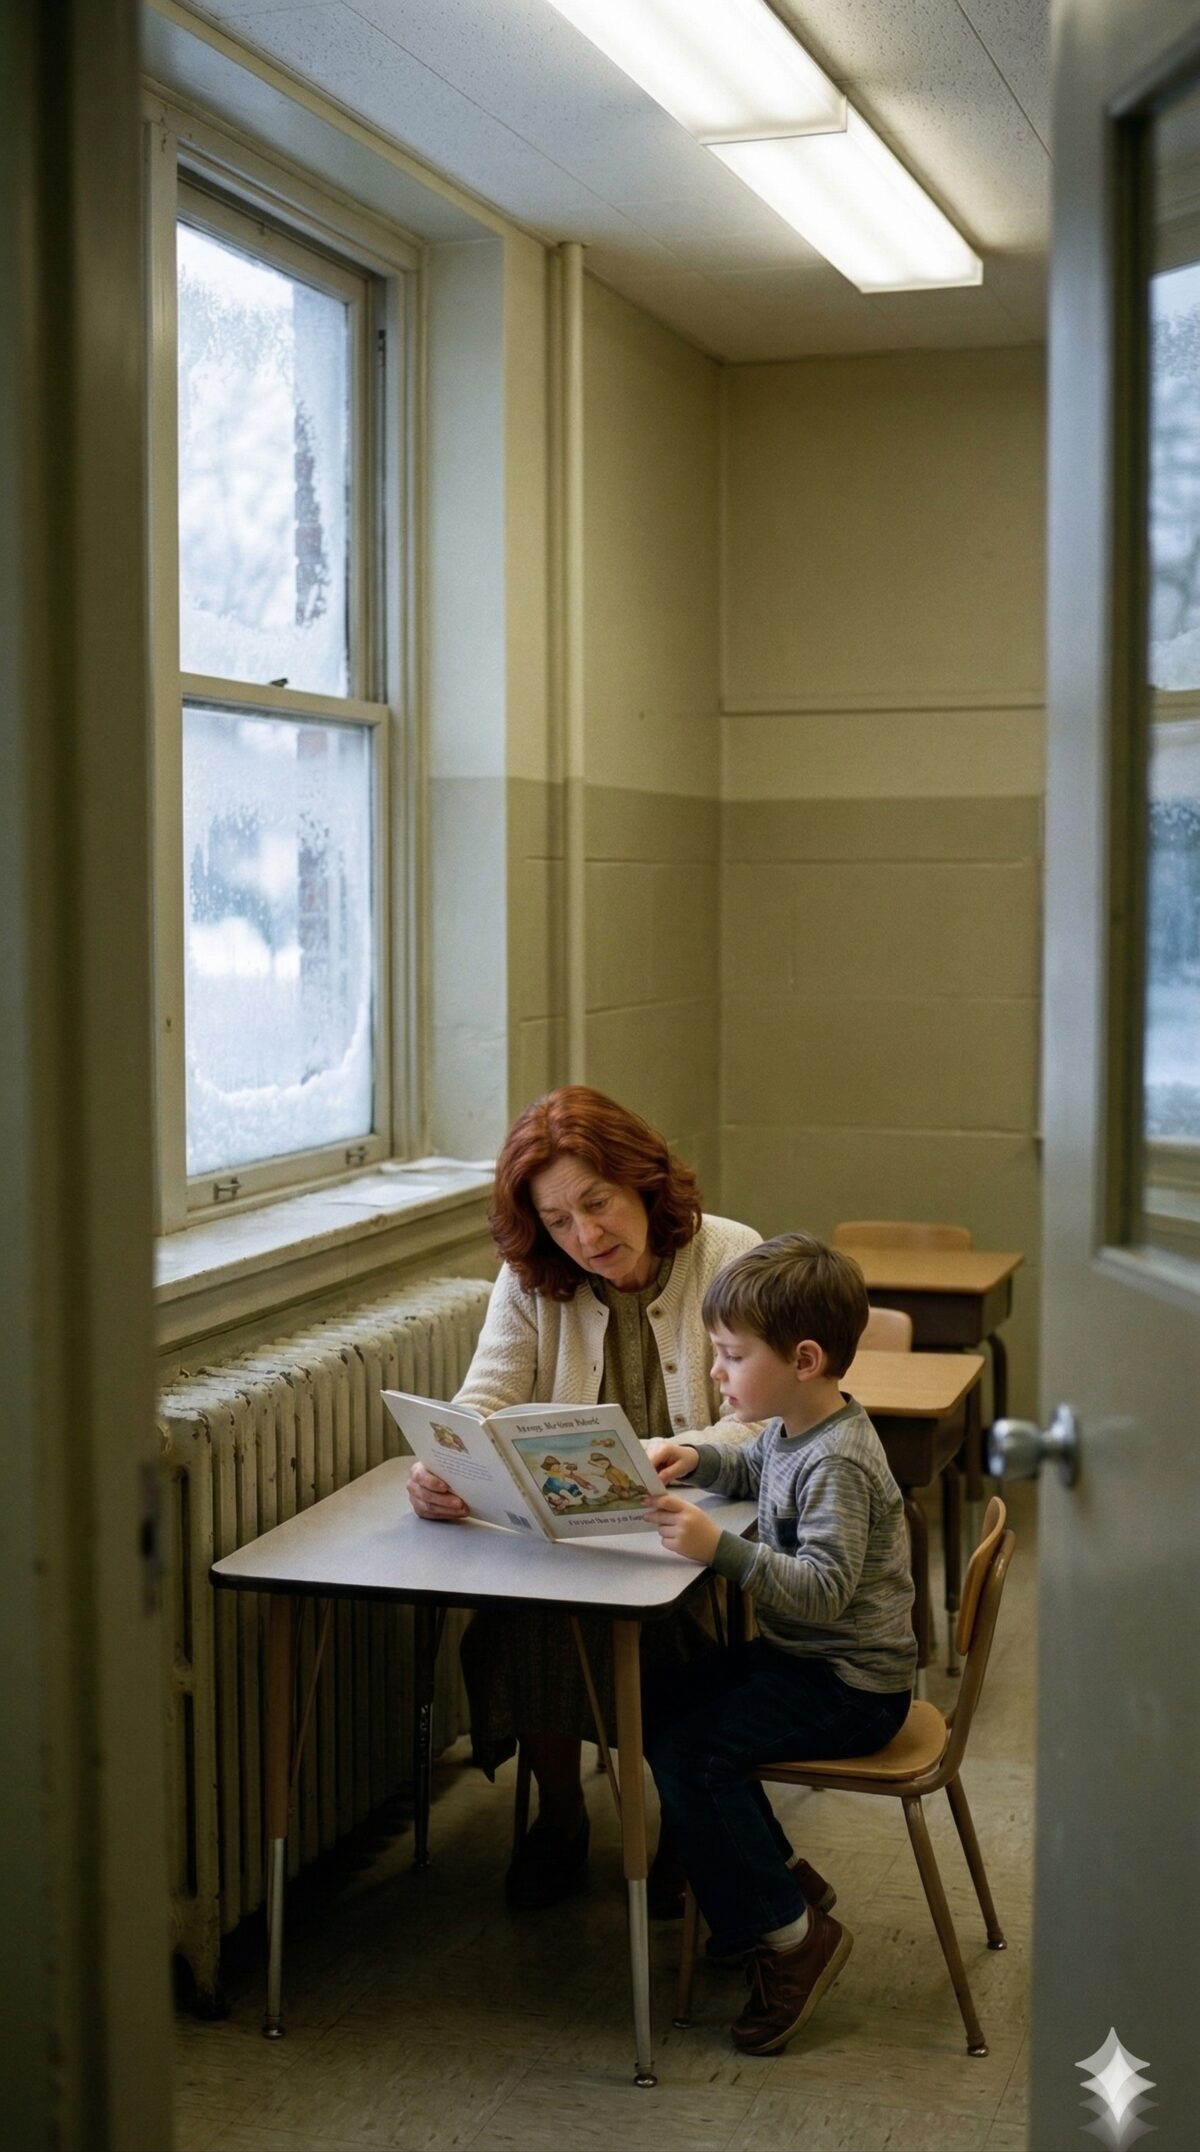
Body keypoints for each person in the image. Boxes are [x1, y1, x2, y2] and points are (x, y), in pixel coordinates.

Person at [405, 1085, 761, 1907]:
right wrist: (447, 1464)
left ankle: (688, 1819)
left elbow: (772, 1424)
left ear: (642, 1180)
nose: (586, 1237)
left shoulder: (732, 1255)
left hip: (698, 1532)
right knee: (515, 1625)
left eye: (597, 1205)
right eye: (559, 1221)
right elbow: (482, 1398)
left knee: (677, 1637)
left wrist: (688, 1452)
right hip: (578, 1534)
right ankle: (563, 1815)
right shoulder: (533, 1274)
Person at [643, 1231, 916, 2056]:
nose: (717, 1373)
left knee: (697, 1754)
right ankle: (775, 1883)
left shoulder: (837, 1463)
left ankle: (796, 1941)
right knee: (666, 1704)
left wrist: (716, 1550)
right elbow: (752, 1466)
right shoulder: (795, 1429)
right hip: (806, 1662)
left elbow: (826, 1595)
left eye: (730, 1357)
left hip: (850, 1685)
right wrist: (692, 1457)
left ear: (802, 1358)